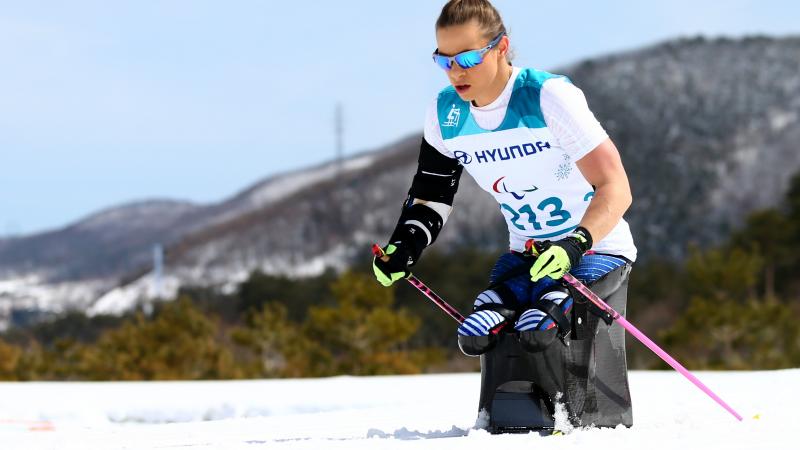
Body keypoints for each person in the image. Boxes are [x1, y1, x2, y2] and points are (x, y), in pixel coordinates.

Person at [372, 0, 637, 428]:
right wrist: (405, 245)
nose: (456, 71)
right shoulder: (445, 115)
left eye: (469, 58)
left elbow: (616, 186)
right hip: (527, 256)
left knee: (545, 322)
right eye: (444, 60)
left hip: (595, 251)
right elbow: (431, 195)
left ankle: (577, 416)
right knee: (479, 329)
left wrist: (576, 243)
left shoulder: (546, 96)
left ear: (501, 48)